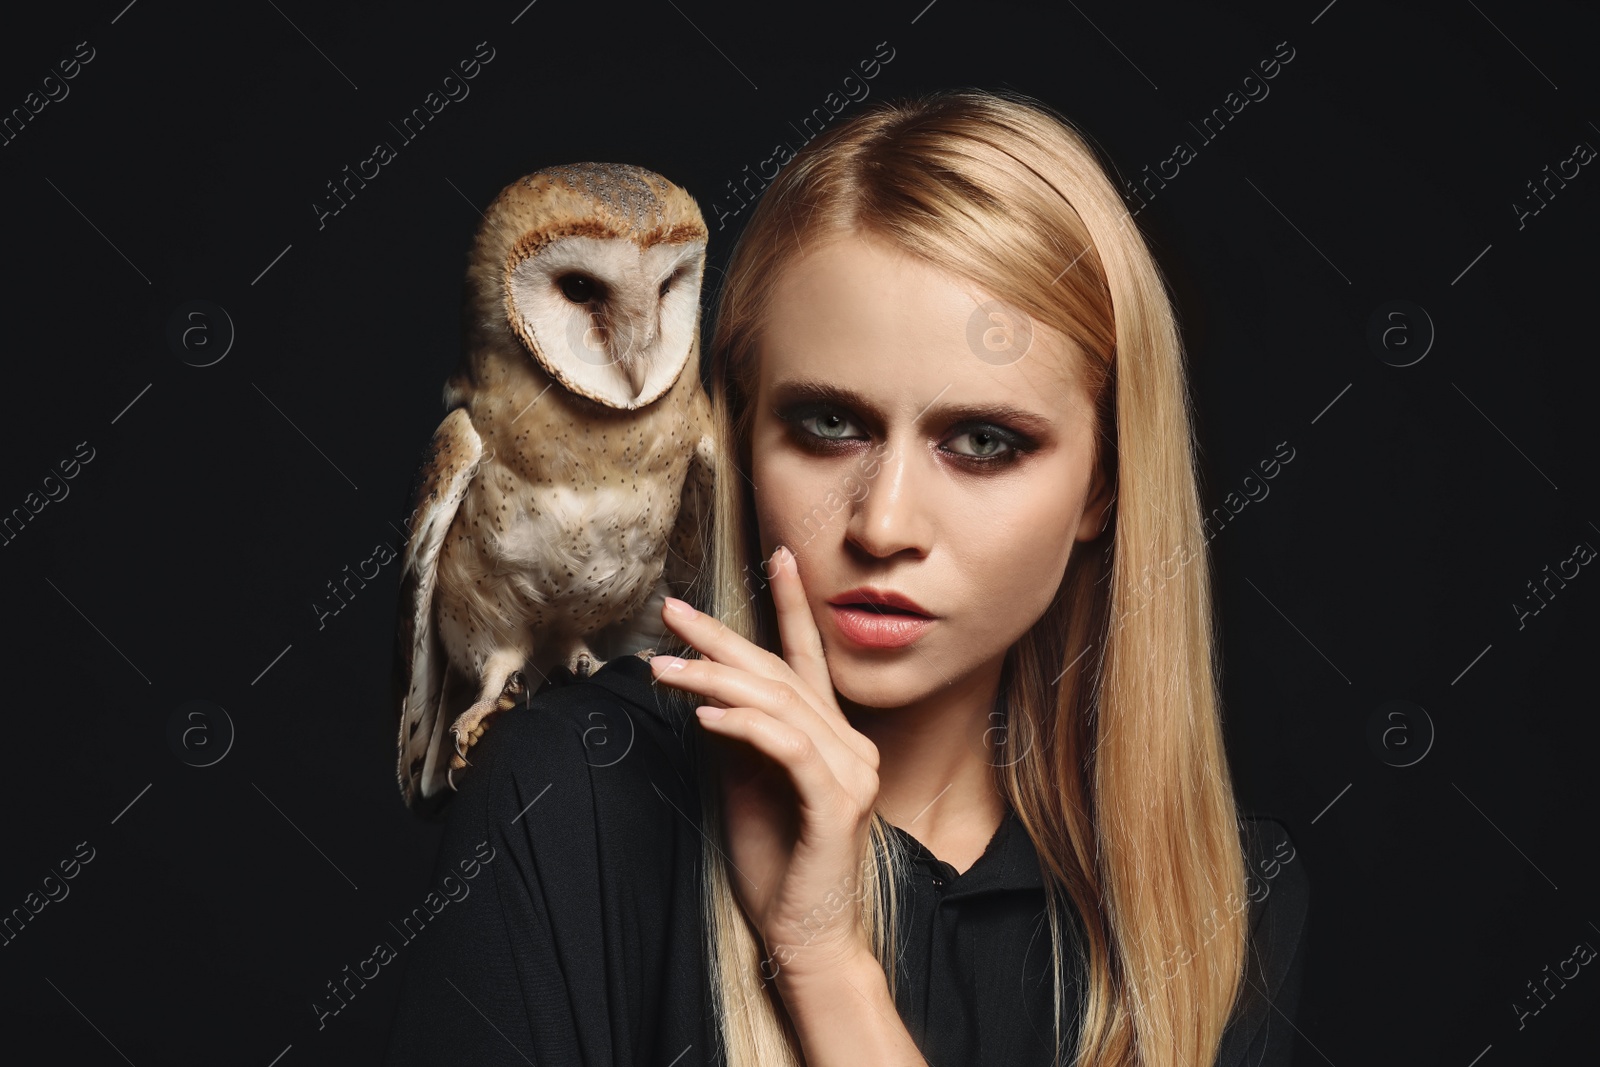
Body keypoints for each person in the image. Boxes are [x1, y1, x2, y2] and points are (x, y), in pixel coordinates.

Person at [384, 87, 1309, 1067]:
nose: (883, 523)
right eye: (829, 424)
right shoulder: (573, 794)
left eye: (984, 440)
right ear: (739, 437)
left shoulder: (1218, 898)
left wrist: (825, 964)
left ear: (1102, 485)